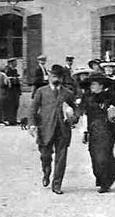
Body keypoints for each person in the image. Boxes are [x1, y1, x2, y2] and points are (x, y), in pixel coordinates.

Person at [20, 65, 78, 195]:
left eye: (58, 76)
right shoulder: (41, 91)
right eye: (53, 76)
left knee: (61, 158)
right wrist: (32, 124)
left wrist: (72, 118)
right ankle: (46, 171)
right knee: (45, 155)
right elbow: (33, 109)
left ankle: (57, 184)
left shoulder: (68, 93)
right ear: (49, 77)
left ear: (62, 78)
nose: (56, 79)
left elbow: (76, 110)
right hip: (45, 129)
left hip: (63, 130)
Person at [77, 72, 115, 193]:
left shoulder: (109, 97)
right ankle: (101, 178)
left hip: (109, 131)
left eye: (94, 84)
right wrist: (84, 132)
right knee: (95, 158)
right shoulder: (87, 97)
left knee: (108, 158)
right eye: (91, 84)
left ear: (101, 85)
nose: (92, 86)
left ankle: (106, 183)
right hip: (94, 131)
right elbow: (83, 115)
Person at [0, 58, 22, 125]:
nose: (16, 64)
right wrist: (14, 80)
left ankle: (13, 119)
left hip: (14, 91)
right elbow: (6, 82)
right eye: (15, 62)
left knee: (14, 106)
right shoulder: (7, 71)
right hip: (8, 92)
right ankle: (7, 120)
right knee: (8, 106)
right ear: (11, 63)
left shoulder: (15, 70)